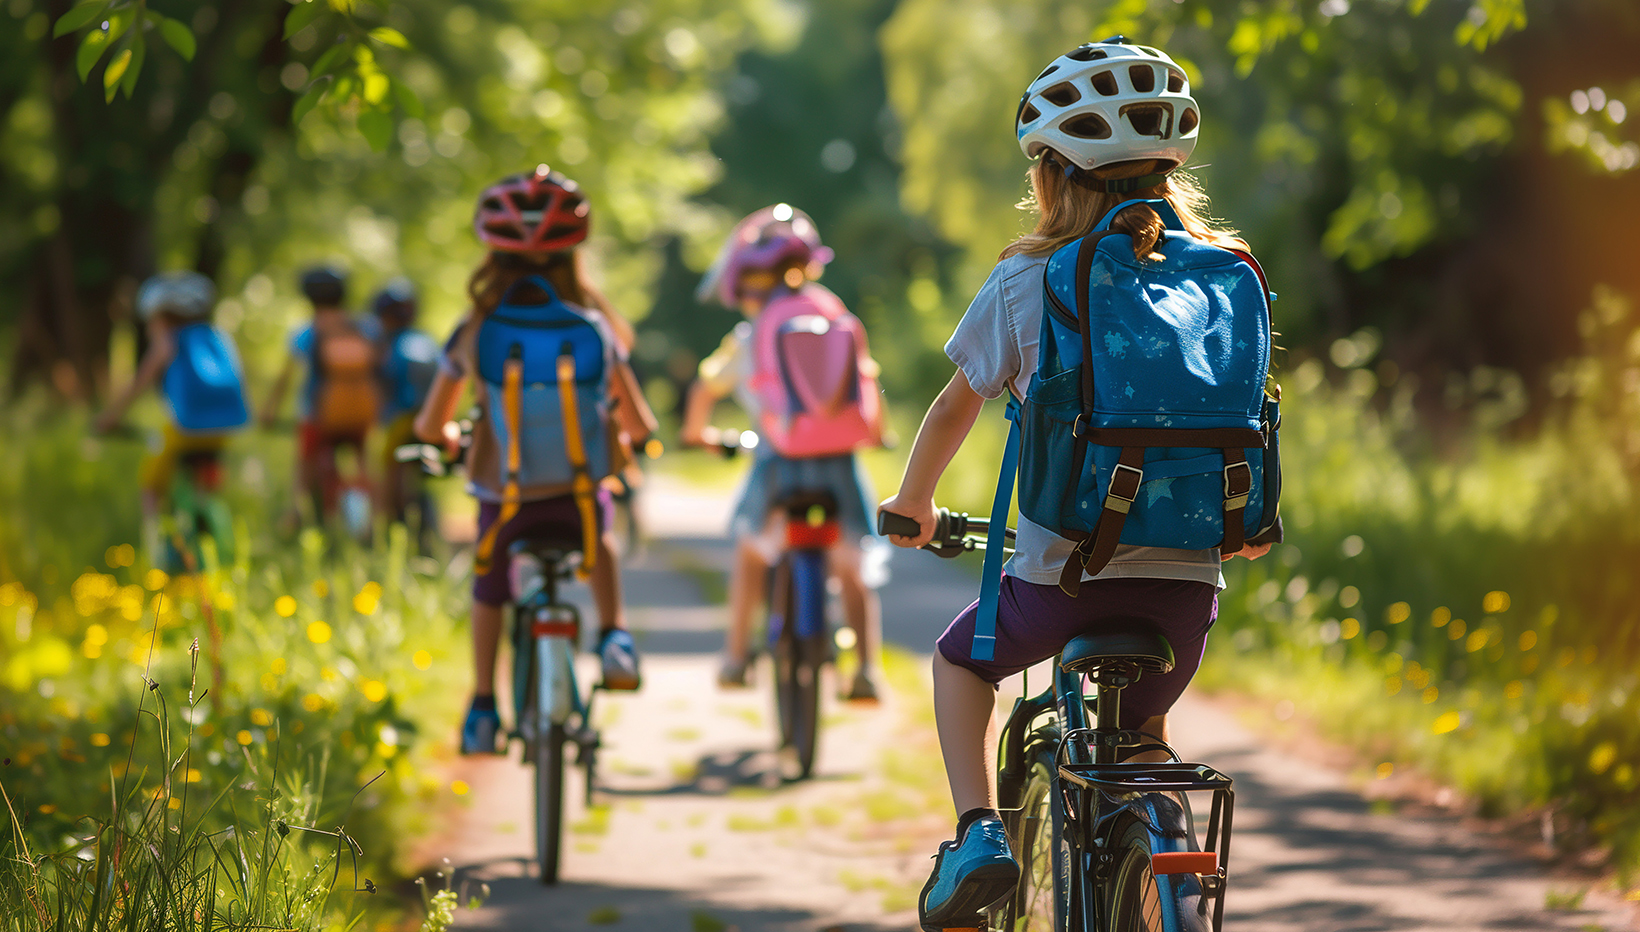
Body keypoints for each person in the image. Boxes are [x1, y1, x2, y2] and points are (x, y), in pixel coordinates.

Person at [876, 38, 1274, 930]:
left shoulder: (1026, 280)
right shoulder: (1225, 275)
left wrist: (913, 504)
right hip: (1185, 594)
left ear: (1054, 177)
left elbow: (952, 409)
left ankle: (977, 832)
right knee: (1141, 747)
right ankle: (1157, 865)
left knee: (957, 659)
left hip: (1059, 580)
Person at [415, 166, 657, 755]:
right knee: (599, 524)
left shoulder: (475, 329)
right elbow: (641, 424)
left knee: (490, 585)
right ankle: (614, 636)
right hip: (576, 502)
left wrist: (449, 442)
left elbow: (429, 424)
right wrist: (635, 444)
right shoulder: (596, 327)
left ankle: (481, 707)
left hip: (507, 503)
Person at [681, 204, 886, 702]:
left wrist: (697, 434)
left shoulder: (750, 334)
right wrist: (876, 431)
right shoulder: (831, 311)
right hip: (839, 460)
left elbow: (706, 389)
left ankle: (734, 657)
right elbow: (866, 378)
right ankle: (864, 669)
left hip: (778, 462)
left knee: (752, 550)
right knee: (851, 562)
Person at [94, 271, 249, 563]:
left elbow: (139, 383)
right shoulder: (217, 337)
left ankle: (157, 551)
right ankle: (219, 545)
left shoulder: (169, 340)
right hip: (225, 428)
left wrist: (111, 417)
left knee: (151, 486)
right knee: (206, 490)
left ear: (160, 317)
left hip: (185, 428)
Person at [260, 266, 381, 527]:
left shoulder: (307, 331)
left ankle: (296, 516)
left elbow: (286, 377)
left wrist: (269, 410)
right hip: (360, 413)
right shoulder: (365, 327)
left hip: (318, 414)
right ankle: (374, 518)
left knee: (304, 468)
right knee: (362, 465)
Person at [364, 277, 440, 527]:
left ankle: (381, 524)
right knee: (417, 474)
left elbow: (382, 386)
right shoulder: (425, 341)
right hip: (432, 418)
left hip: (403, 418)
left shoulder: (389, 345)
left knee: (389, 471)